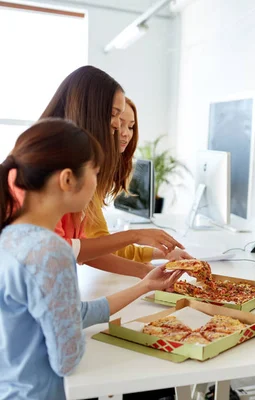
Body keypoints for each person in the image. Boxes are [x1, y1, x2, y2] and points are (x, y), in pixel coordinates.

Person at [0, 119, 183, 400]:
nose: (98, 182)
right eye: (95, 172)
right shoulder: (50, 251)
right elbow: (67, 358)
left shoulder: (10, 237)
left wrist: (145, 286)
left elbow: (72, 314)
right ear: (68, 179)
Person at [11, 66, 184, 279]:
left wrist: (146, 272)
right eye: (113, 116)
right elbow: (62, 250)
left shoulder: (71, 164)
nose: (118, 128)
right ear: (87, 112)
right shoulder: (45, 169)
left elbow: (78, 249)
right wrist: (135, 237)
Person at [84, 97, 191, 262]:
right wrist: (136, 238)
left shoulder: (99, 175)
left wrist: (164, 254)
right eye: (119, 124)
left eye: (131, 126)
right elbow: (97, 247)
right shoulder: (85, 176)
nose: (126, 133)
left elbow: (103, 246)